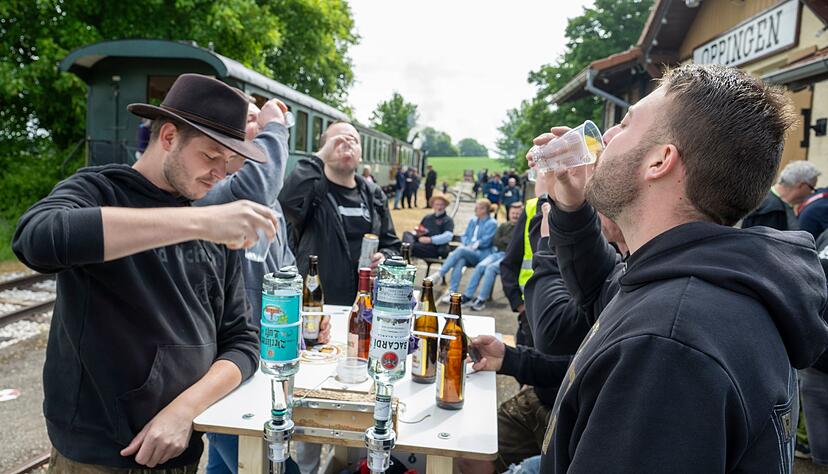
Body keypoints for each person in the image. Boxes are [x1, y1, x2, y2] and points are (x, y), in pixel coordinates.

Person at [535, 64, 828, 472]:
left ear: (660, 160)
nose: (605, 137)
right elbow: (601, 290)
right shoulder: (690, 280)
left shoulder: (667, 344)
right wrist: (569, 208)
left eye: (625, 122)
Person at [13, 74, 277, 471]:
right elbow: (36, 240)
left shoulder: (211, 222)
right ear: (169, 136)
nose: (221, 174)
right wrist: (199, 224)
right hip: (100, 455)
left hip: (182, 448)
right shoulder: (99, 189)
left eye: (228, 162)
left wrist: (184, 411)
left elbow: (241, 342)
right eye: (210, 156)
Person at [279, 121, 401, 306]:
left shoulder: (374, 194)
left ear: (361, 154)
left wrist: (385, 257)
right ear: (324, 149)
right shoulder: (312, 190)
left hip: (365, 307)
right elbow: (286, 200)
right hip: (319, 304)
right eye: (338, 140)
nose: (347, 144)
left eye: (353, 140)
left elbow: (392, 244)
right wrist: (318, 158)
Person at [428, 199, 498, 303]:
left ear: (484, 210)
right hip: (469, 251)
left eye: (478, 207)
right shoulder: (473, 220)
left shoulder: (492, 223)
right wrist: (467, 244)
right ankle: (452, 292)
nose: (475, 209)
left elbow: (486, 241)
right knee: (459, 260)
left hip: (482, 255)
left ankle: (440, 273)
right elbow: (464, 236)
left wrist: (473, 245)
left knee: (460, 250)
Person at [461, 202, 523, 311]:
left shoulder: (523, 228)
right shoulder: (504, 226)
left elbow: (517, 245)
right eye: (513, 213)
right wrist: (508, 241)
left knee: (491, 268)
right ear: (509, 213)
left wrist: (506, 241)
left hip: (511, 257)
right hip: (498, 253)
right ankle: (468, 296)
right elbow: (495, 241)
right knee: (481, 266)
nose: (515, 216)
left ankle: (481, 299)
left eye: (518, 213)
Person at [741, 160, 820, 230]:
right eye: (812, 188)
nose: (812, 192)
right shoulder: (772, 210)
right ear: (801, 185)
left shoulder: (771, 201)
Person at [402, 194, 455, 259]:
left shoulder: (448, 220)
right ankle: (408, 248)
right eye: (437, 204)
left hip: (434, 247)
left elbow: (448, 236)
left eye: (442, 204)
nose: (439, 207)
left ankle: (407, 250)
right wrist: (418, 233)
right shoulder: (427, 218)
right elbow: (420, 228)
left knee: (407, 247)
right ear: (433, 205)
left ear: (445, 206)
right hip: (421, 244)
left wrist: (431, 240)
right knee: (407, 234)